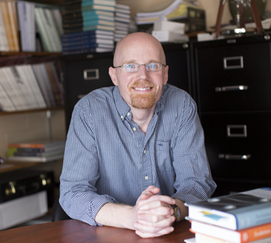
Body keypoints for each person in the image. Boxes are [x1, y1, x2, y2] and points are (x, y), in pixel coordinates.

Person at [59, 32, 216, 238]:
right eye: (130, 66)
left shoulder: (182, 105)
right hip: (108, 236)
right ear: (114, 75)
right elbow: (73, 193)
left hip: (167, 231)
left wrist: (170, 211)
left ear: (165, 74)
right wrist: (133, 217)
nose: (143, 76)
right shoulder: (88, 111)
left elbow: (197, 182)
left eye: (153, 65)